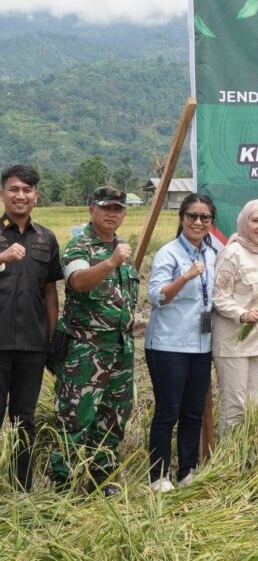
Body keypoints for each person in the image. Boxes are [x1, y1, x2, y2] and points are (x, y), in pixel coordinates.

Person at [51, 186, 139, 496]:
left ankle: (103, 481)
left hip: (120, 350)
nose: (112, 214)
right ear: (92, 210)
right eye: (106, 208)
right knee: (76, 419)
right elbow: (78, 281)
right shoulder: (80, 246)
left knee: (114, 418)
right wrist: (111, 262)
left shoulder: (124, 249)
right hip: (86, 352)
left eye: (118, 208)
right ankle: (63, 486)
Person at [145, 193, 217, 492]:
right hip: (168, 345)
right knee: (168, 411)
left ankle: (187, 470)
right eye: (192, 216)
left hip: (200, 345)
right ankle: (158, 475)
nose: (198, 222)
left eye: (205, 218)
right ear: (182, 218)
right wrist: (185, 276)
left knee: (192, 412)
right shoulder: (169, 253)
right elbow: (157, 297)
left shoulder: (212, 253)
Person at [0, 165, 61, 491]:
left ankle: (20, 488)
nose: (20, 195)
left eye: (27, 190)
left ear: (36, 196)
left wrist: (51, 338)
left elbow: (50, 292)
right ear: (2, 194)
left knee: (24, 420)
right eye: (14, 189)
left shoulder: (45, 238)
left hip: (32, 346)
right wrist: (3, 256)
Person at [212, 200, 258, 433]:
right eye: (255, 220)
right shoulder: (232, 253)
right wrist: (242, 314)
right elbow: (219, 296)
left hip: (256, 342)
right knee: (235, 406)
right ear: (244, 221)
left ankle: (245, 457)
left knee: (253, 404)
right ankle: (227, 461)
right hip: (232, 342)